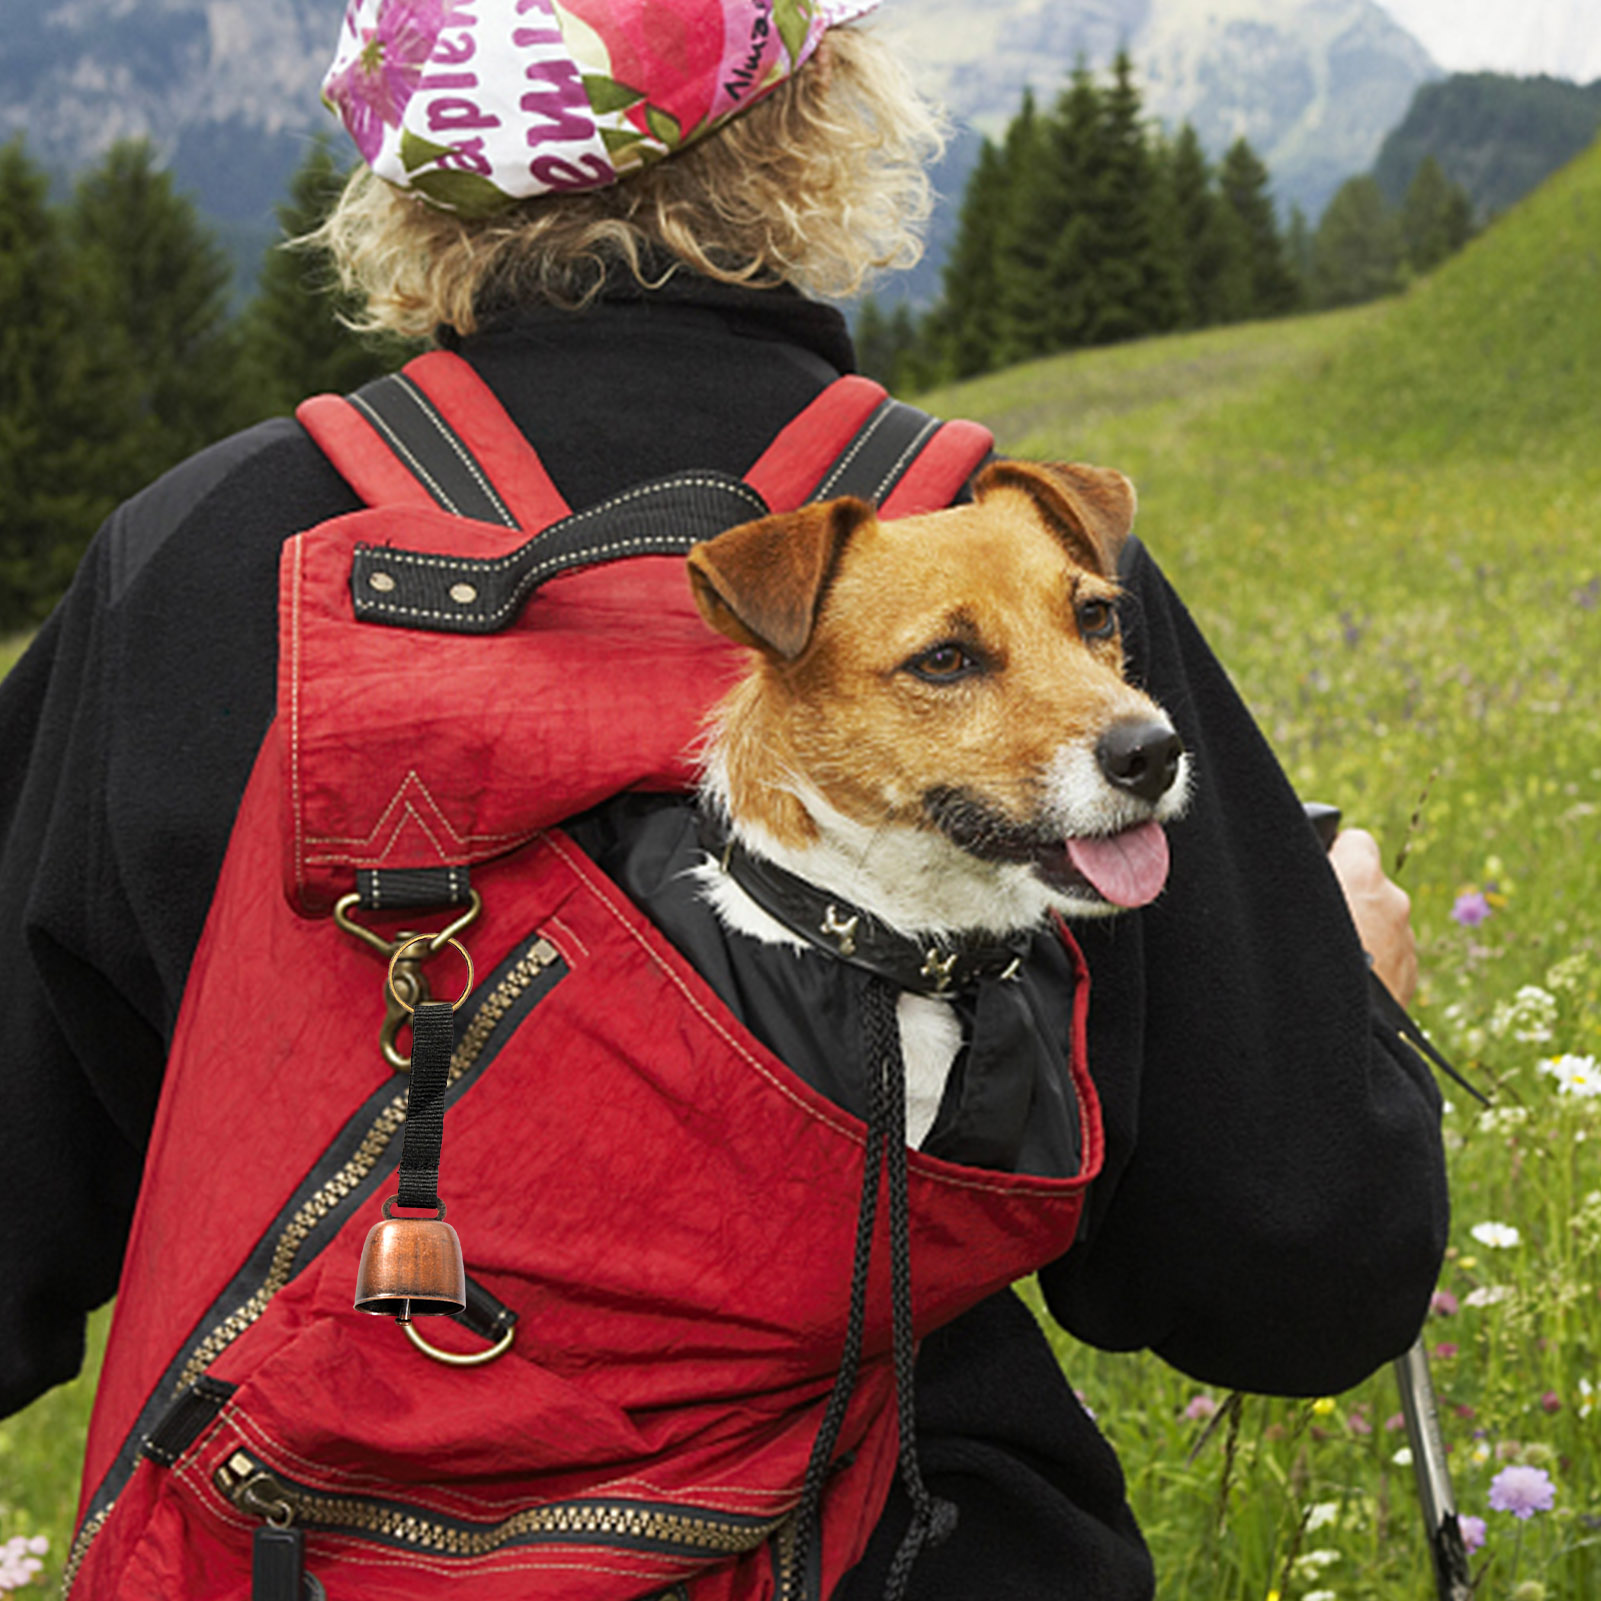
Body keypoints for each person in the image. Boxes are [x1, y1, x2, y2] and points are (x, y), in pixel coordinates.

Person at [0, 2, 1445, 1596]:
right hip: (916, 1543)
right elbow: (1291, 1278)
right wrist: (1347, 1011)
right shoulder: (1018, 561)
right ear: (820, 110)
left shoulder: (189, 566)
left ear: (399, 155)